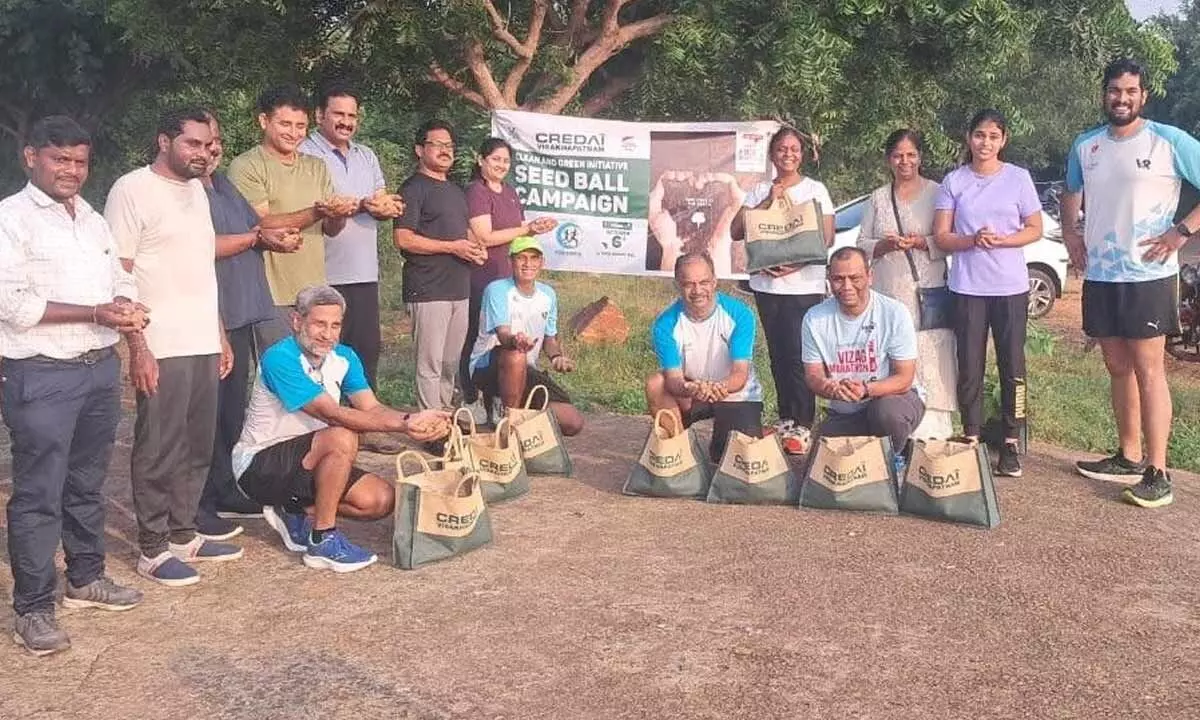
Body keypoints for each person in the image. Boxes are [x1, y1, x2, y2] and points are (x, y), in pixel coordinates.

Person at [0, 116, 147, 656]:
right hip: (41, 374)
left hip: (97, 371)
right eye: (59, 159)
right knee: (39, 493)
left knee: (86, 484)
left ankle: (86, 578)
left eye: (80, 161)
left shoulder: (90, 218)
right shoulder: (10, 220)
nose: (71, 171)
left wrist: (126, 309)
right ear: (31, 158)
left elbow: (118, 279)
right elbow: (12, 305)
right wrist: (96, 312)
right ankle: (34, 609)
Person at [105, 107, 241, 587]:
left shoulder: (197, 193)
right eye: (193, 144)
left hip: (202, 338)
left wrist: (220, 333)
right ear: (164, 141)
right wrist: (137, 346)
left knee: (196, 444)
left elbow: (203, 267)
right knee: (159, 446)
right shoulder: (131, 189)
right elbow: (117, 273)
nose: (203, 153)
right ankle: (152, 547)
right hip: (159, 341)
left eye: (208, 145)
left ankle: (184, 533)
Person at [232, 286, 451, 572]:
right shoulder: (279, 358)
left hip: (311, 459)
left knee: (379, 500)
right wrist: (405, 425)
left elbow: (371, 407)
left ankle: (294, 509)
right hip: (259, 467)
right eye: (319, 324)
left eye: (335, 325)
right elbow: (330, 412)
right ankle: (322, 539)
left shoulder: (345, 357)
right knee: (342, 435)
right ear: (296, 321)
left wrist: (413, 419)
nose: (328, 334)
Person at [1063, 58, 1200, 507]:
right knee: (1117, 367)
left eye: (1130, 91)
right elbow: (1070, 190)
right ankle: (1129, 454)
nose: (1121, 98)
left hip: (1148, 275)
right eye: (1114, 90)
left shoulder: (1169, 141)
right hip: (1102, 274)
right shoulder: (1086, 145)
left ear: (1143, 95)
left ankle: (1158, 472)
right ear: (1103, 93)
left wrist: (1181, 232)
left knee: (1149, 369)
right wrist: (1070, 233)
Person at [196, 111, 300, 540]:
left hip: (239, 312)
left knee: (229, 412)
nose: (211, 149)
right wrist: (258, 239)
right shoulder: (184, 191)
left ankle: (224, 488)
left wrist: (274, 235)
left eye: (215, 140)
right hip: (207, 316)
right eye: (201, 142)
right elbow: (201, 245)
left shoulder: (222, 185)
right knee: (202, 416)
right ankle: (196, 503)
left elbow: (255, 226)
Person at [933, 109, 1043, 478]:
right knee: (970, 366)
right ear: (969, 138)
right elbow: (942, 237)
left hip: (1010, 287)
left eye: (993, 136)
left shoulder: (1019, 178)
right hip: (967, 287)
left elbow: (1035, 229)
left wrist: (1005, 240)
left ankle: (1011, 441)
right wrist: (972, 240)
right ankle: (971, 435)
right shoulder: (954, 180)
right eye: (979, 135)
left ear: (1003, 140)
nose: (985, 143)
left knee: (1014, 366)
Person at [732, 127, 835, 454]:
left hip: (803, 285)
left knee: (799, 355)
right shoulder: (759, 190)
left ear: (802, 154)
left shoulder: (815, 189)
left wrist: (794, 265)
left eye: (794, 149)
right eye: (781, 149)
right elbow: (737, 230)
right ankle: (786, 418)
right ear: (772, 154)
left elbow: (827, 237)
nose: (788, 154)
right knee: (777, 354)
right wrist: (767, 200)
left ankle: (804, 423)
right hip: (766, 285)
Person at [228, 85, 357, 341]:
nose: (294, 133)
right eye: (285, 124)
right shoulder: (247, 166)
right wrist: (317, 211)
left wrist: (339, 213)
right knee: (279, 369)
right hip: (270, 292)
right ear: (264, 121)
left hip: (314, 289)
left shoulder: (316, 166)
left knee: (318, 368)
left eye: (301, 126)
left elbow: (330, 229)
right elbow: (259, 221)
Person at [298, 82, 405, 391]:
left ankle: (364, 422)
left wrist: (384, 207)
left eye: (352, 115)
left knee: (365, 351)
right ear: (320, 115)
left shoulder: (366, 155)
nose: (346, 122)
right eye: (338, 114)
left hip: (363, 271)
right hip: (321, 271)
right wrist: (358, 204)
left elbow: (381, 200)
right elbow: (316, 206)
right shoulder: (305, 152)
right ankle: (320, 424)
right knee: (320, 350)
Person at [856, 129, 957, 440]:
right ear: (889, 159)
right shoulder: (878, 197)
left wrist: (922, 242)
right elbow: (862, 244)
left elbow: (950, 241)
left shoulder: (939, 192)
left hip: (926, 291)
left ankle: (934, 427)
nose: (905, 161)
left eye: (911, 154)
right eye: (898, 155)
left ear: (920, 158)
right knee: (891, 351)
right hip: (888, 291)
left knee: (931, 351)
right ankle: (891, 421)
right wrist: (884, 246)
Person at [460, 137, 557, 422]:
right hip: (482, 273)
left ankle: (502, 402)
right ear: (481, 160)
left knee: (508, 342)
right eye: (495, 159)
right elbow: (484, 236)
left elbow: (519, 235)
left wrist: (534, 229)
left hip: (509, 276)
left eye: (506, 160)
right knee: (478, 338)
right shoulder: (476, 191)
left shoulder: (511, 192)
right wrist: (526, 227)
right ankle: (473, 397)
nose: (501, 165)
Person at [802, 247, 925, 465]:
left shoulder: (894, 313)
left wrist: (866, 390)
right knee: (820, 466)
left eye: (855, 278)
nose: (847, 286)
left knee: (886, 413)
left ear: (869, 277)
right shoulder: (814, 318)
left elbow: (904, 378)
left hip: (893, 399)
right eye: (838, 279)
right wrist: (829, 387)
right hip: (845, 408)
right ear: (829, 279)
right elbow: (813, 376)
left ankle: (894, 459)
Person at [393, 119, 484, 412]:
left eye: (449, 146)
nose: (445, 151)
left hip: (459, 286)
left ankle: (444, 418)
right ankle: (430, 424)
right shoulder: (412, 189)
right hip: (428, 287)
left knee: (449, 363)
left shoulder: (456, 191)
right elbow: (404, 239)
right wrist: (451, 247)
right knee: (429, 363)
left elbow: (463, 232)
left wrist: (475, 249)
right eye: (437, 145)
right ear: (420, 150)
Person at [645, 252, 764, 463]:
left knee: (726, 460)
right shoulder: (665, 324)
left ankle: (757, 432)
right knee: (656, 383)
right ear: (677, 285)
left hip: (734, 392)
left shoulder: (740, 314)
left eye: (704, 282)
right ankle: (680, 452)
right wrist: (691, 388)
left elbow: (739, 374)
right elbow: (673, 379)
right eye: (689, 284)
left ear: (715, 281)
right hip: (692, 391)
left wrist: (719, 387)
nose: (697, 291)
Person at [467, 236, 584, 436]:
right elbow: (503, 334)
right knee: (515, 354)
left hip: (527, 369)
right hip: (487, 366)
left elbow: (550, 339)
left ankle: (514, 410)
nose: (528, 264)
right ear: (511, 261)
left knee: (572, 422)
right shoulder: (497, 289)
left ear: (542, 262)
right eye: (521, 258)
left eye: (534, 258)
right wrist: (516, 340)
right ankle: (508, 428)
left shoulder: (548, 294)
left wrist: (556, 358)